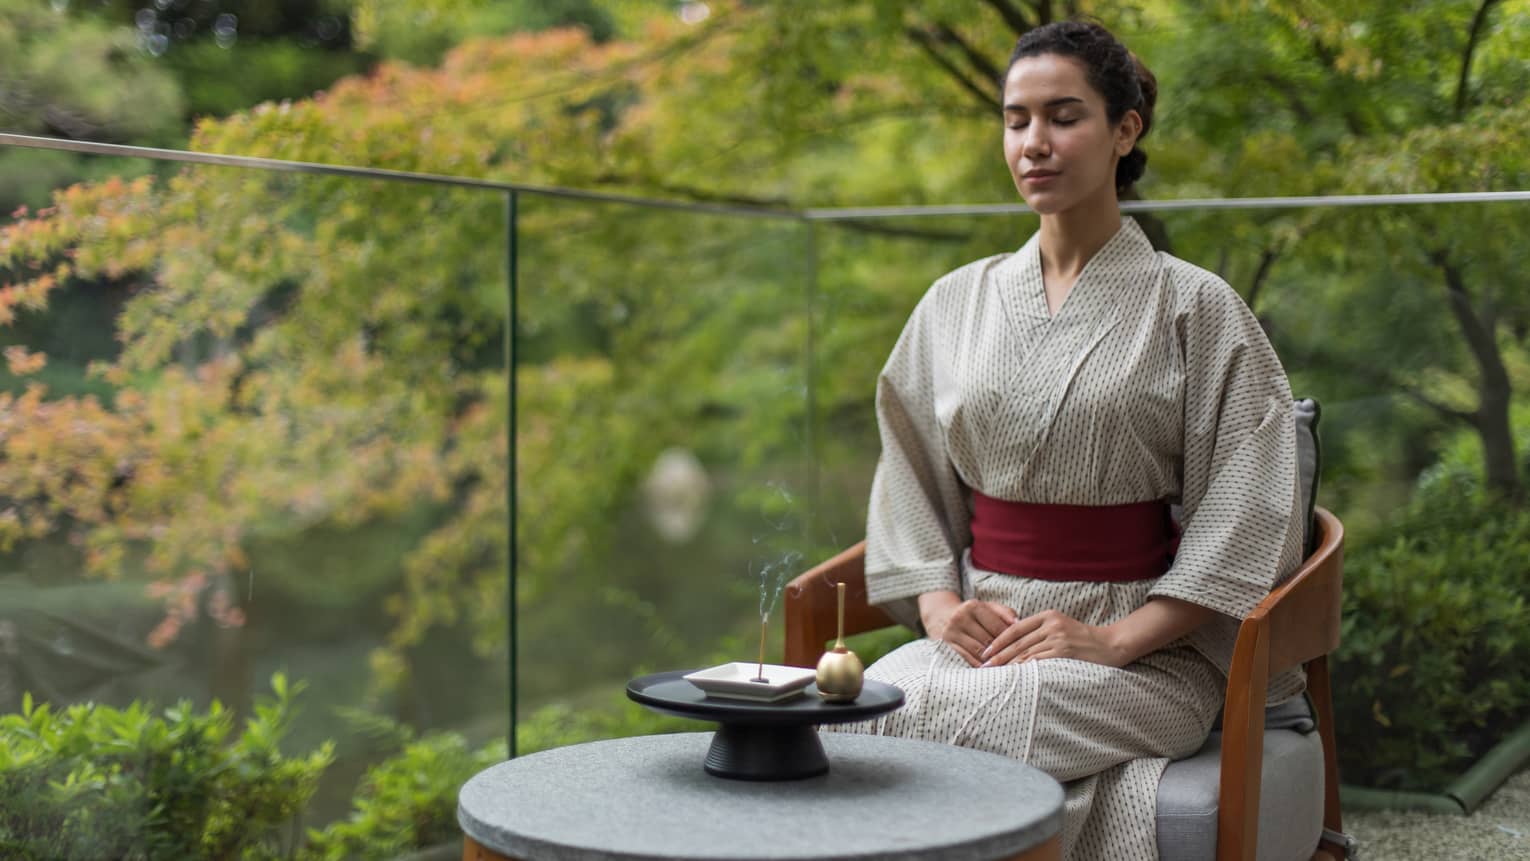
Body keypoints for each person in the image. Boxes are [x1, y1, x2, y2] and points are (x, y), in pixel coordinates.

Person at [825, 19, 1307, 861]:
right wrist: (942, 608)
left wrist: (1116, 637)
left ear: (1126, 130)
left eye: (1064, 116)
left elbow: (1248, 507)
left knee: (1011, 713)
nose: (1034, 144)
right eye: (1016, 120)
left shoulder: (1196, 306)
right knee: (865, 710)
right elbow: (907, 469)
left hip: (1145, 651)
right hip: (982, 630)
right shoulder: (955, 301)